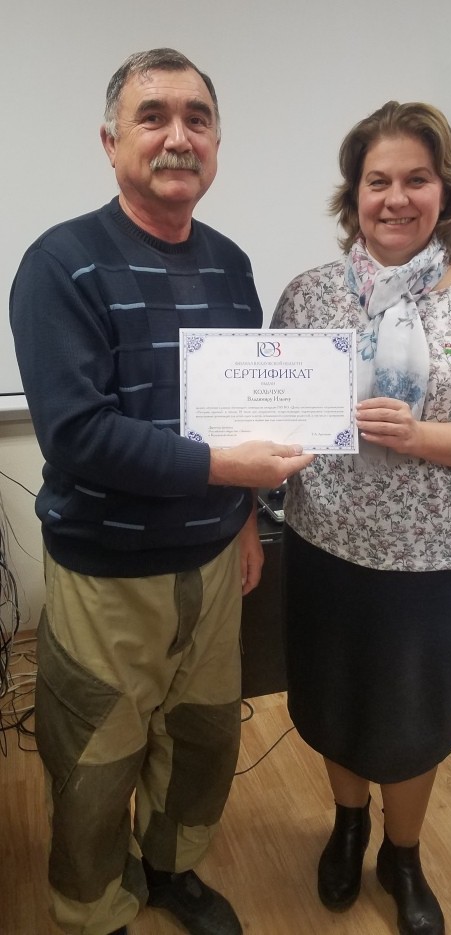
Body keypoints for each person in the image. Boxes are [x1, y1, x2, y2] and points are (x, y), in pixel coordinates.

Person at [10, 48, 313, 935]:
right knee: (96, 758)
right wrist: (227, 472)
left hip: (215, 562)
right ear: (111, 143)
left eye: (197, 118)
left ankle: (172, 869)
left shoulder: (230, 264)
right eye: (153, 117)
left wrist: (245, 518)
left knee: (202, 739)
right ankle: (93, 906)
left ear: (215, 143)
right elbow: (78, 434)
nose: (178, 136)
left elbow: (242, 415)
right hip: (107, 573)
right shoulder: (60, 263)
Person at [271, 101, 451, 935]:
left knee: (416, 720)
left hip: (435, 559)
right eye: (376, 180)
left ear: (442, 192)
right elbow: (271, 415)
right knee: (334, 700)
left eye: (414, 179)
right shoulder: (310, 294)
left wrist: (423, 437)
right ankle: (348, 825)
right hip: (326, 545)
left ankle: (403, 853)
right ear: (352, 195)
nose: (394, 198)